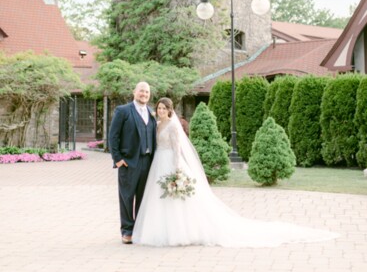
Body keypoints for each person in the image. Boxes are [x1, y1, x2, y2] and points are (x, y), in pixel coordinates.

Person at [132, 97, 339, 247]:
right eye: (158, 108)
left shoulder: (174, 127)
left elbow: (177, 149)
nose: (160, 111)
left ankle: (180, 232)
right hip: (157, 163)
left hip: (171, 162)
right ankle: (157, 231)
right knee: (158, 197)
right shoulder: (157, 124)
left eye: (163, 108)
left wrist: (178, 168)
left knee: (178, 198)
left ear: (170, 110)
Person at [109, 81, 156, 244]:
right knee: (127, 197)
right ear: (134, 92)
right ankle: (127, 230)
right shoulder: (123, 111)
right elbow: (113, 136)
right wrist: (118, 160)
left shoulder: (151, 112)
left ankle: (140, 229)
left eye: (147, 92)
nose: (144, 94)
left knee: (143, 197)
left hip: (148, 162)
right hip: (128, 162)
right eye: (141, 91)